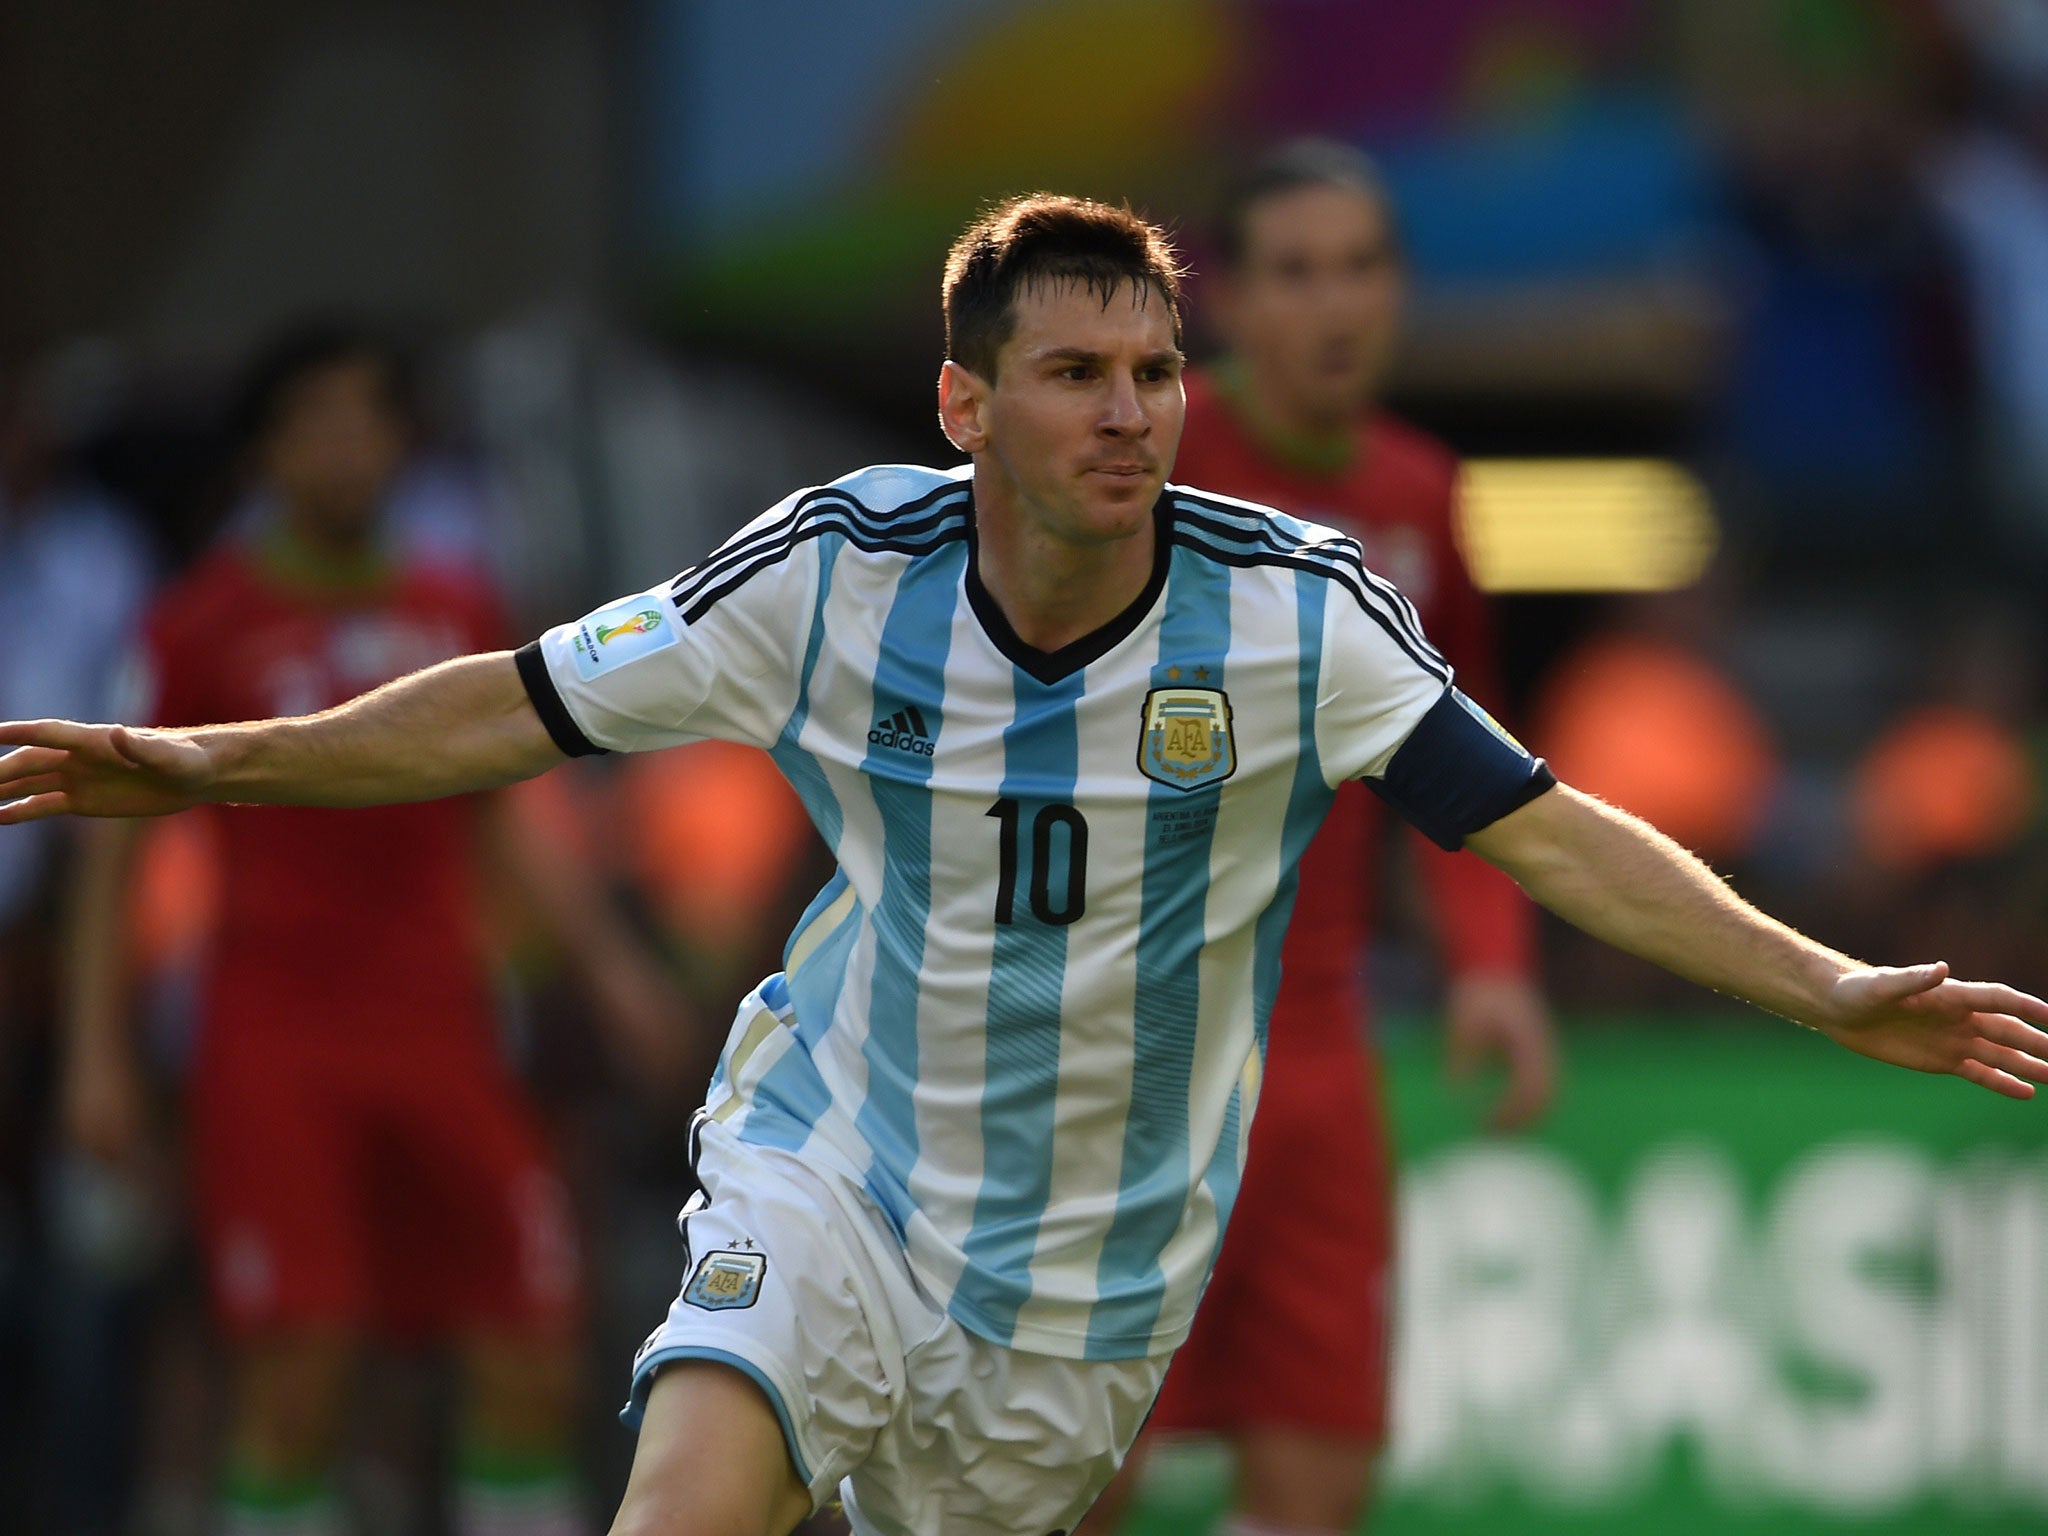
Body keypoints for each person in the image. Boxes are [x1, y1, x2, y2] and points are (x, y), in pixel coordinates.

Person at [5, 199, 2047, 1536]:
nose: (1132, 413)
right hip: (834, 1156)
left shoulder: (1295, 616)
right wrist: (205, 762)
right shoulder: (827, 571)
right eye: (1077, 374)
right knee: (686, 1496)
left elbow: (1545, 833)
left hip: (1093, 1267)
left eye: (1155, 372)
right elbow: (511, 706)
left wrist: (1827, 985)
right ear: (965, 402)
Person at [56, 325, 687, 1536]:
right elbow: (114, 848)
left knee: (528, 1347)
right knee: (296, 1378)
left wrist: (611, 970)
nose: (344, 446)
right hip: (275, 1047)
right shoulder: (196, 628)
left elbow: (506, 818)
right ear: (262, 456)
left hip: (444, 1035)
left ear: (402, 441)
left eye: (367, 417)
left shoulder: (456, 605)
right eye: (313, 421)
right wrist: (98, 1054)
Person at [1078, 141, 1553, 1536]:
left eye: (1361, 268)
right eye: (1295, 274)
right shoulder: (1134, 467)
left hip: (1321, 1058)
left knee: (1316, 1483)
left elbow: (1474, 765)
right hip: (1120, 1054)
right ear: (1224, 300)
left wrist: (1491, 964)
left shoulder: (1421, 495)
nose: (1334, 306)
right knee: (1069, 1484)